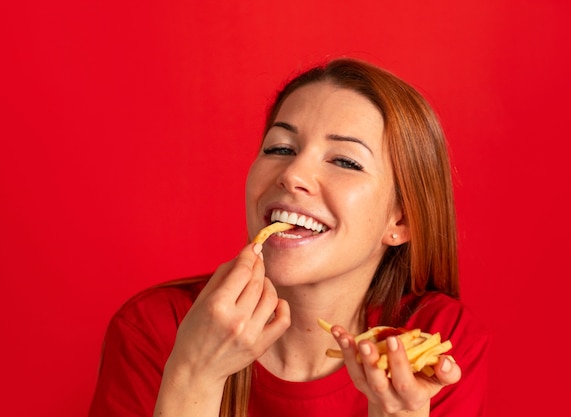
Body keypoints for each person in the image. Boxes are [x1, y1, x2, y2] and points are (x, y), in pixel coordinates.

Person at [88, 57, 489, 417]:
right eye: (280, 148)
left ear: (400, 222)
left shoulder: (438, 342)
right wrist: (194, 375)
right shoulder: (156, 328)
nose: (292, 174)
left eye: (345, 161)